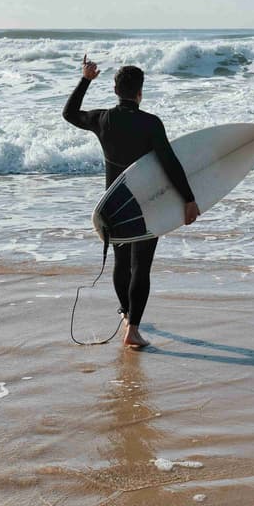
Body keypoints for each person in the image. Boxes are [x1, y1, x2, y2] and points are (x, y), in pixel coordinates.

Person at [63, 56, 200, 348]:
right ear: (140, 92)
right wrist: (188, 199)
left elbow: (69, 113)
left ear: (115, 91)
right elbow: (170, 164)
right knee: (142, 267)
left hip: (114, 206)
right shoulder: (151, 123)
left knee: (121, 264)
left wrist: (86, 79)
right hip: (145, 206)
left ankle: (126, 315)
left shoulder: (102, 119)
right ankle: (132, 330)